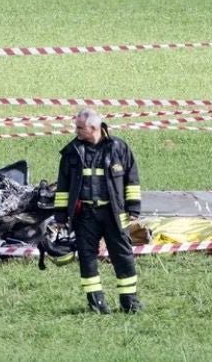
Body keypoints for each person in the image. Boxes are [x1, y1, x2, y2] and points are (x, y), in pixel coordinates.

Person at [53, 108, 143, 314]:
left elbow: (132, 181)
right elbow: (63, 187)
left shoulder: (119, 148)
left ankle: (129, 302)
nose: (75, 131)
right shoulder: (71, 152)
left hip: (115, 214)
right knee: (87, 258)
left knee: (123, 256)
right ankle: (97, 304)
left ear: (94, 128)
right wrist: (60, 216)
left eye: (79, 128)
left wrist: (134, 208)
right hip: (85, 215)